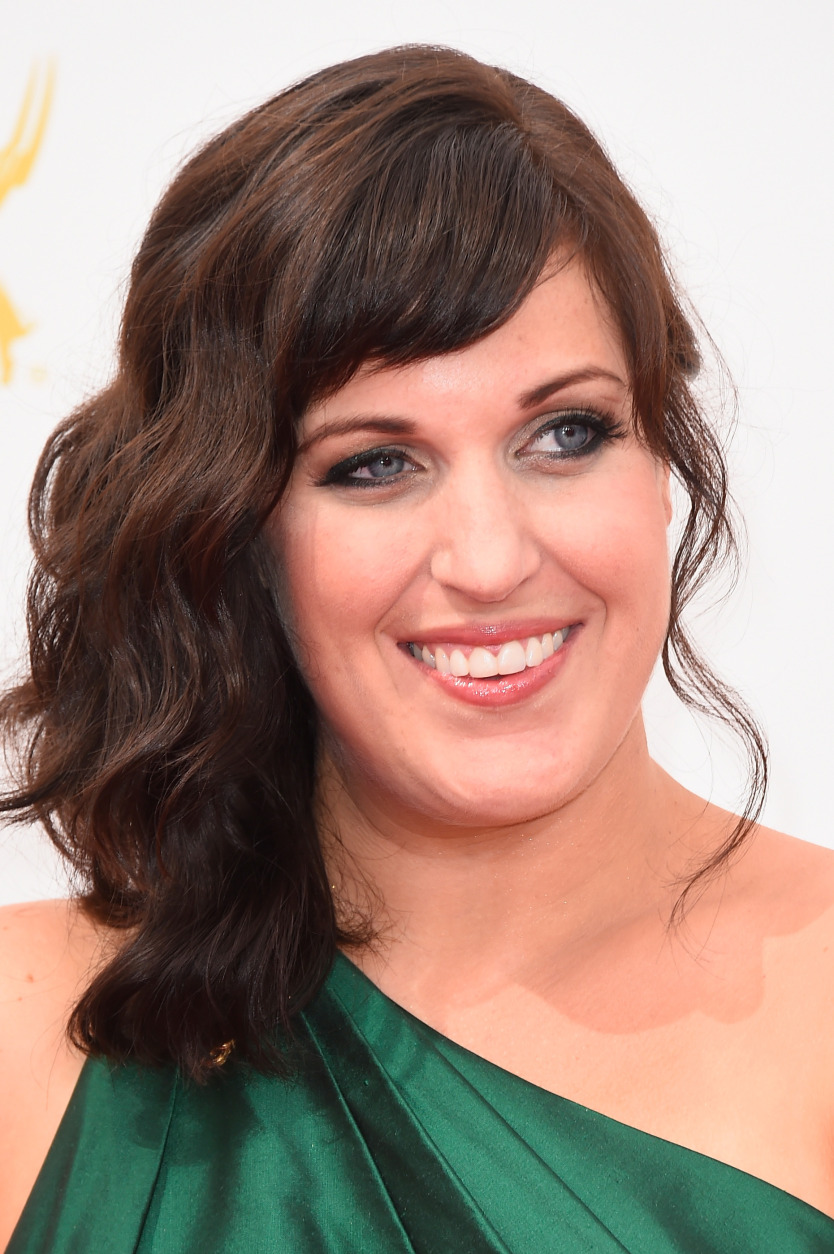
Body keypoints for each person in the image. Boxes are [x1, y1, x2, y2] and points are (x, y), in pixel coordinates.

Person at [2, 44, 834, 1253]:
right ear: (236, 533)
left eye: (567, 434)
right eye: (374, 464)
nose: (489, 560)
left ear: (664, 459)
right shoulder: (29, 1035)